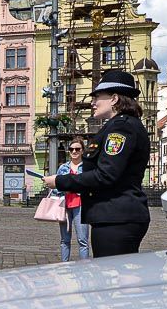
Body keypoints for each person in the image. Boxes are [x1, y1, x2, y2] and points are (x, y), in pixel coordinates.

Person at [44, 69, 150, 257]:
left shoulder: (121, 127)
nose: (92, 102)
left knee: (114, 278)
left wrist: (60, 181)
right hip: (115, 216)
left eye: (97, 97)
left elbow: (106, 175)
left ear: (115, 98)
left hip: (117, 217)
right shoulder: (120, 125)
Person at [54, 137, 90, 261]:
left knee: (83, 240)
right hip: (65, 205)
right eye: (71, 149)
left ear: (82, 151)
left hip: (81, 205)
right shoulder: (63, 168)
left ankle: (85, 268)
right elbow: (56, 188)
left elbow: (92, 186)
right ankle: (64, 266)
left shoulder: (87, 168)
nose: (74, 151)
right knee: (65, 240)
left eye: (77, 149)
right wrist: (64, 188)